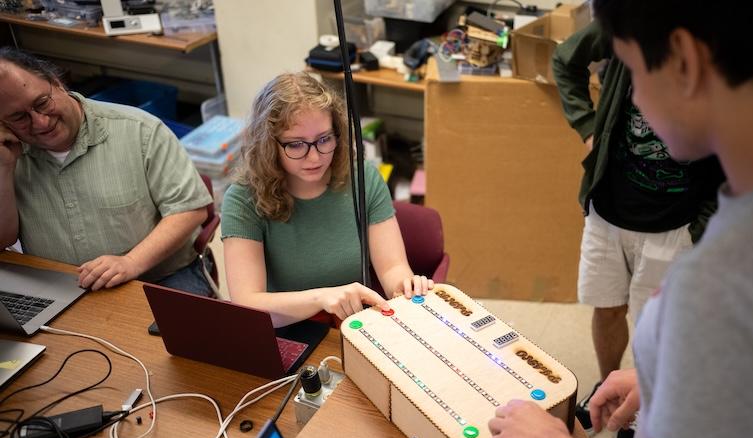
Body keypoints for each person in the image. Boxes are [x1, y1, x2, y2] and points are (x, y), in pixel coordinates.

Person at [489, 0, 753, 438]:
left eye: (634, 70)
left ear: (683, 60)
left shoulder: (716, 294)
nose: (634, 97)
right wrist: (673, 377)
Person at [551, 19, 726, 438]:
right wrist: (589, 127)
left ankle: (649, 402)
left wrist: (701, 225)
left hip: (675, 223)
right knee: (607, 306)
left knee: (659, 326)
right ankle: (610, 387)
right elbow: (564, 60)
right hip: (609, 211)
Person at [221, 72, 432, 326]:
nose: (315, 157)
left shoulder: (362, 177)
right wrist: (322, 298)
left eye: (324, 139)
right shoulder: (243, 198)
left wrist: (405, 287)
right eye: (296, 145)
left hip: (354, 327)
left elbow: (391, 269)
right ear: (269, 144)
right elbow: (247, 304)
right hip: (286, 332)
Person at [0, 48, 213, 295]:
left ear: (57, 83)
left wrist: (130, 263)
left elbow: (189, 210)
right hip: (58, 284)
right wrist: (4, 169)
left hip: (158, 277)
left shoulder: (140, 130)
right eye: (19, 117)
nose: (40, 122)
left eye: (42, 103)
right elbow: (3, 241)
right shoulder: (9, 151)